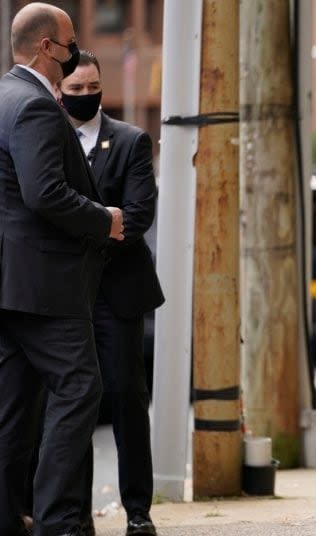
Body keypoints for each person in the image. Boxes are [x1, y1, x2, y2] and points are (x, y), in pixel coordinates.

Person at [0, 3, 124, 536]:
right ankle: (57, 522)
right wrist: (104, 220)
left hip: (11, 286)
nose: (75, 52)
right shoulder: (33, 105)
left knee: (14, 411)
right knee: (78, 390)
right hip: (46, 286)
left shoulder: (3, 96)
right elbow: (43, 192)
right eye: (70, 43)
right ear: (47, 47)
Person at [57, 50, 164, 536]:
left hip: (118, 293)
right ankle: (75, 513)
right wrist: (102, 225)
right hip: (65, 295)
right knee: (73, 403)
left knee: (125, 399)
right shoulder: (50, 139)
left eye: (90, 87)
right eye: (74, 89)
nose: (84, 96)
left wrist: (84, 237)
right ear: (59, 89)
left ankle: (138, 511)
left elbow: (139, 215)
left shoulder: (130, 141)